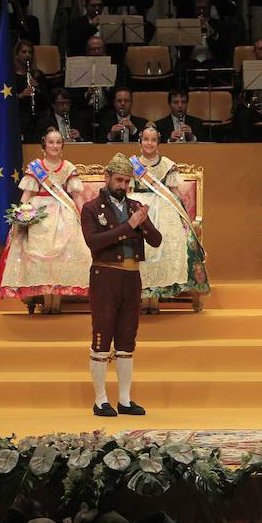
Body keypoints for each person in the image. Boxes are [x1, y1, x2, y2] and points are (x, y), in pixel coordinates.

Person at [81, 153, 162, 417]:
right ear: (106, 178)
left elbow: (157, 240)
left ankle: (125, 400)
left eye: (127, 181)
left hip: (131, 278)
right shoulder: (91, 208)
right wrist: (130, 226)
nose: (123, 186)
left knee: (127, 338)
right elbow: (94, 242)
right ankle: (100, 399)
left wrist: (143, 225)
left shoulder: (135, 206)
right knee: (102, 336)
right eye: (118, 180)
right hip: (105, 277)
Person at [0, 128, 91, 314]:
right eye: (51, 142)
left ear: (62, 145)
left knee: (66, 251)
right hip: (40, 213)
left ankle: (56, 301)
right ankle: (46, 299)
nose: (55, 146)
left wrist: (85, 217)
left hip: (64, 213)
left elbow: (76, 196)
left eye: (58, 142)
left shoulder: (68, 167)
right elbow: (27, 194)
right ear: (44, 144)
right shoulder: (36, 166)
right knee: (40, 253)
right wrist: (18, 215)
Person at [131, 123, 210, 313]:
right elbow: (126, 190)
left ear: (158, 143)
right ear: (140, 141)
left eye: (153, 140)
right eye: (146, 139)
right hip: (138, 206)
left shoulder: (167, 164)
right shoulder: (131, 163)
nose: (149, 143)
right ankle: (140, 296)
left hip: (164, 209)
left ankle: (159, 294)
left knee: (175, 243)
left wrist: (181, 221)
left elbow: (175, 196)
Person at [13, 40, 51, 142]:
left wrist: (38, 89)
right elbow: (7, 100)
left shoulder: (38, 75)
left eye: (30, 52)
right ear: (16, 55)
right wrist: (21, 95)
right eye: (24, 52)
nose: (27, 55)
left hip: (37, 116)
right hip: (19, 116)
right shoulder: (11, 76)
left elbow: (47, 101)